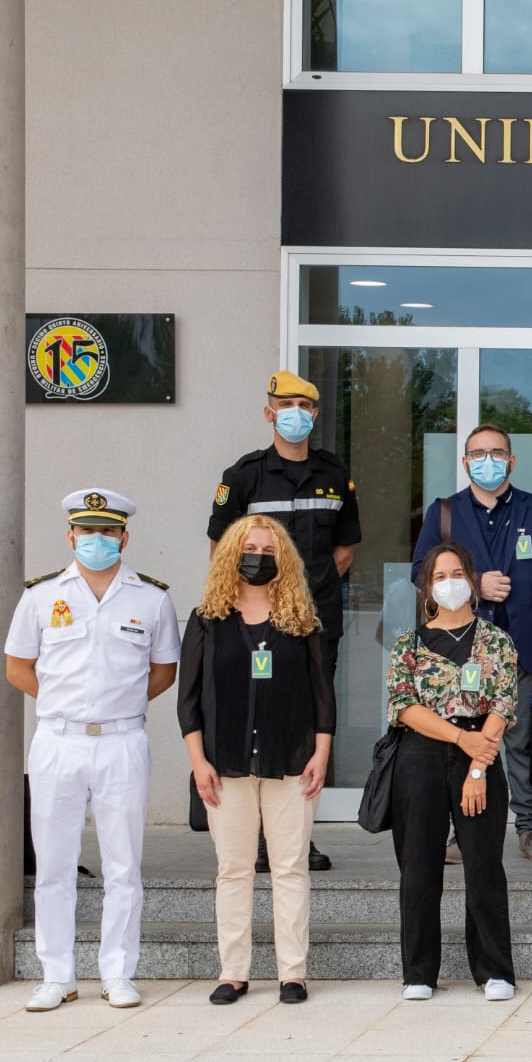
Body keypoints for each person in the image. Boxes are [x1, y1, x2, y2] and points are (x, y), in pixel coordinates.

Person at [6, 490, 180, 1013]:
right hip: (57, 740)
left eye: (108, 532)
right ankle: (56, 974)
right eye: (87, 531)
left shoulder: (150, 598)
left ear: (124, 537)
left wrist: (116, 705)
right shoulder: (40, 596)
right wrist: (68, 705)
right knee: (55, 864)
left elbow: (164, 670)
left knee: (123, 863)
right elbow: (17, 666)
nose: (97, 541)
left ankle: (117, 972)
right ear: (70, 536)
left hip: (122, 741)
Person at [179, 515, 335, 1006]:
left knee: (289, 868)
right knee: (234, 869)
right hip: (224, 765)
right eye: (249, 548)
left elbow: (322, 695)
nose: (258, 557)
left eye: (268, 550)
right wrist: (198, 761)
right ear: (231, 554)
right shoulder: (207, 617)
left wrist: (322, 754)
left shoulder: (301, 619)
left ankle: (293, 973)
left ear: (282, 559)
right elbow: (188, 699)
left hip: (291, 760)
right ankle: (233, 972)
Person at [209, 370, 359, 872]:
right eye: (286, 403)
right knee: (253, 716)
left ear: (315, 414)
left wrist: (300, 598)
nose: (296, 412)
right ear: (270, 410)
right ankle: (253, 839)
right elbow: (223, 550)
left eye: (305, 405)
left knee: (307, 722)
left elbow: (344, 550)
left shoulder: (336, 474)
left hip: (313, 625)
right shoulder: (244, 476)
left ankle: (296, 835)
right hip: (253, 625)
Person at [413, 423, 532, 864]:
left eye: (497, 453)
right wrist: (474, 584)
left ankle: (530, 830)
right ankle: (462, 832)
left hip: (524, 648)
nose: (488, 461)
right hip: (458, 648)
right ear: (465, 463)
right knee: (462, 737)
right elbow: (419, 573)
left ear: (511, 461)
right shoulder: (444, 513)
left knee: (520, 741)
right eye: (478, 454)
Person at [386, 544, 521, 1001]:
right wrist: (460, 740)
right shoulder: (408, 644)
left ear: (471, 578)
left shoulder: (496, 641)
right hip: (421, 758)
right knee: (419, 866)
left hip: (480, 755)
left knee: (484, 864)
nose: (449, 582)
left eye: (457, 572)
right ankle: (419, 973)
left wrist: (477, 767)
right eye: (439, 575)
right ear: (428, 588)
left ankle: (494, 970)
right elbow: (404, 707)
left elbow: (503, 703)